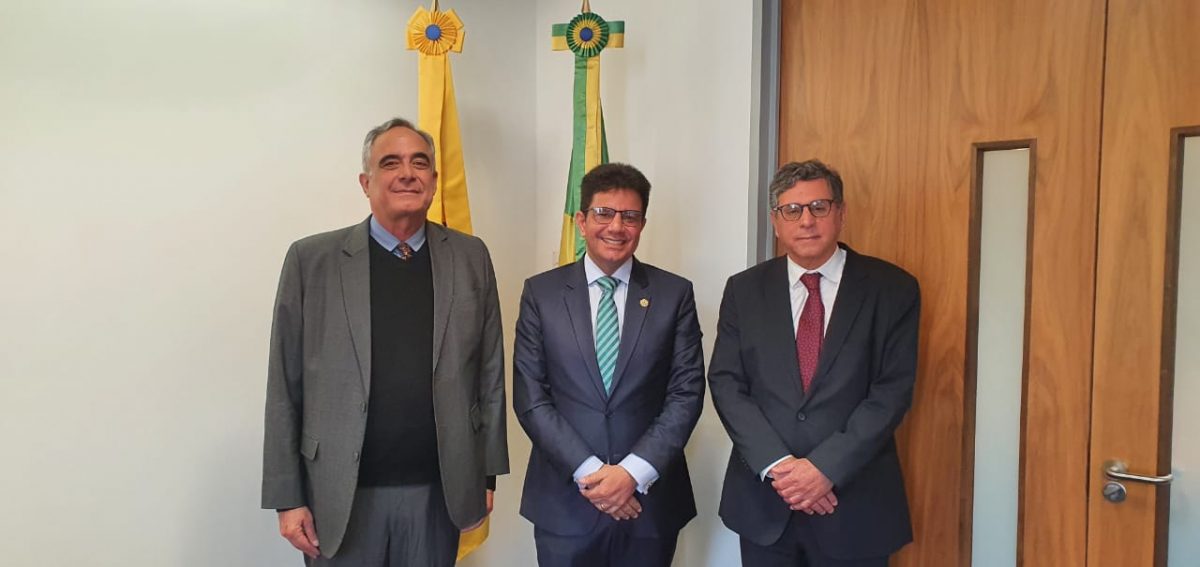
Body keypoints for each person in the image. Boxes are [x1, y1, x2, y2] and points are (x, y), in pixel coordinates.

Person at [261, 117, 508, 566]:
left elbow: (489, 374)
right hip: (338, 495)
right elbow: (284, 386)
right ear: (366, 182)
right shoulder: (311, 261)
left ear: (435, 180)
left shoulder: (471, 256)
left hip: (438, 494)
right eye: (390, 163)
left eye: (420, 163)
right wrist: (287, 497)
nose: (407, 173)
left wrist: (487, 475)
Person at [708, 160, 920, 566]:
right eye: (792, 210)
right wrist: (780, 467)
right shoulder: (744, 290)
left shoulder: (893, 289)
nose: (806, 221)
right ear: (776, 221)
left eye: (819, 207)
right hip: (766, 504)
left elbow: (891, 393)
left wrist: (824, 468)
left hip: (854, 505)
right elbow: (726, 383)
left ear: (841, 213)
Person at [513, 163, 705, 567]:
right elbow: (531, 398)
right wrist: (591, 474)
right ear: (582, 221)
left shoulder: (674, 294)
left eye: (630, 216)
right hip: (565, 504)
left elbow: (686, 394)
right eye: (604, 213)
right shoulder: (541, 294)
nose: (617, 226)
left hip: (648, 504)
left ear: (642, 224)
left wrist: (631, 474)